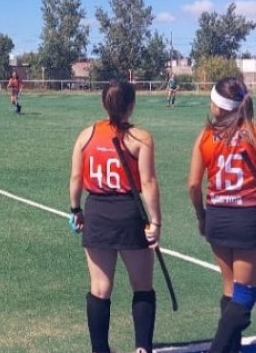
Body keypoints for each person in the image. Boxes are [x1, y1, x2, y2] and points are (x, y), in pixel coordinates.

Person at [187, 77, 256, 352]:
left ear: (218, 107)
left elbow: (193, 185)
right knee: (244, 296)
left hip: (217, 216)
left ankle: (231, 349)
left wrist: (201, 216)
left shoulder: (205, 136)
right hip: (248, 219)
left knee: (231, 290)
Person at [68, 80, 161, 353]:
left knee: (100, 288)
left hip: (97, 213)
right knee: (142, 287)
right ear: (132, 105)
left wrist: (76, 210)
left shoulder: (86, 135)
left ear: (103, 104)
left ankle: (100, 349)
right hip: (129, 214)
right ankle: (142, 348)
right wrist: (156, 221)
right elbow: (148, 183)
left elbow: (75, 178)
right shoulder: (141, 138)